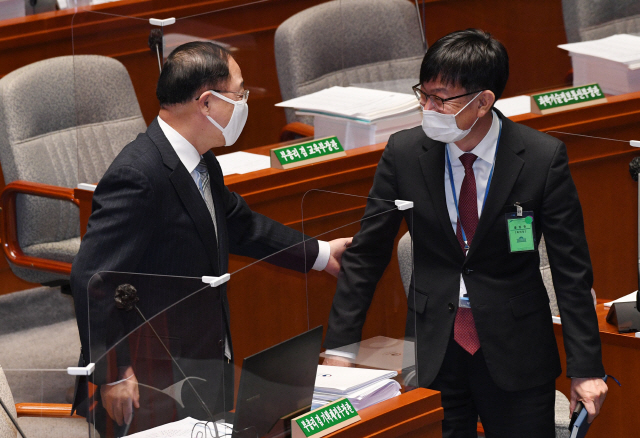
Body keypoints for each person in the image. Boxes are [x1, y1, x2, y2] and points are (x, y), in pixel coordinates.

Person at [323, 29, 607, 437]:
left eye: (442, 98)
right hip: (434, 352)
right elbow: (367, 256)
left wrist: (586, 367)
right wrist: (340, 350)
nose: (428, 107)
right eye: (424, 94)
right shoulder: (403, 153)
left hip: (517, 353)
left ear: (483, 102)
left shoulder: (541, 158)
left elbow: (571, 270)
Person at [70, 41, 351, 433]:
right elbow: (92, 278)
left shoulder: (201, 159)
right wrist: (113, 374)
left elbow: (239, 225)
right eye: (239, 93)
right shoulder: (138, 176)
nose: (244, 102)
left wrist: (321, 253)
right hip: (149, 374)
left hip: (198, 354)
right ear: (207, 104)